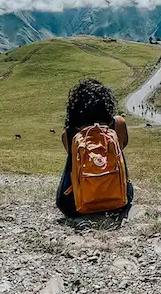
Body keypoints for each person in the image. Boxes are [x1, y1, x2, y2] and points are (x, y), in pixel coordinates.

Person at [56, 78, 134, 217]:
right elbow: (122, 146)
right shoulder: (118, 124)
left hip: (74, 205)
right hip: (119, 199)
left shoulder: (68, 134)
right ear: (106, 103)